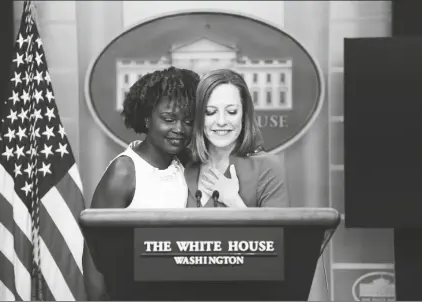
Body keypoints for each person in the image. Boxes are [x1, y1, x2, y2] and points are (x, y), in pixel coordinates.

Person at [83, 66, 200, 300]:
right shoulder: (124, 171)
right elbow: (94, 257)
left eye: (187, 121)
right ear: (147, 119)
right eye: (168, 119)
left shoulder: (186, 165)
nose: (179, 129)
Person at [185, 69, 290, 208]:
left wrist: (233, 201)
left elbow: (277, 230)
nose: (221, 121)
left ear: (244, 114)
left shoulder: (268, 168)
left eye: (231, 111)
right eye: (210, 112)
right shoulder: (183, 165)